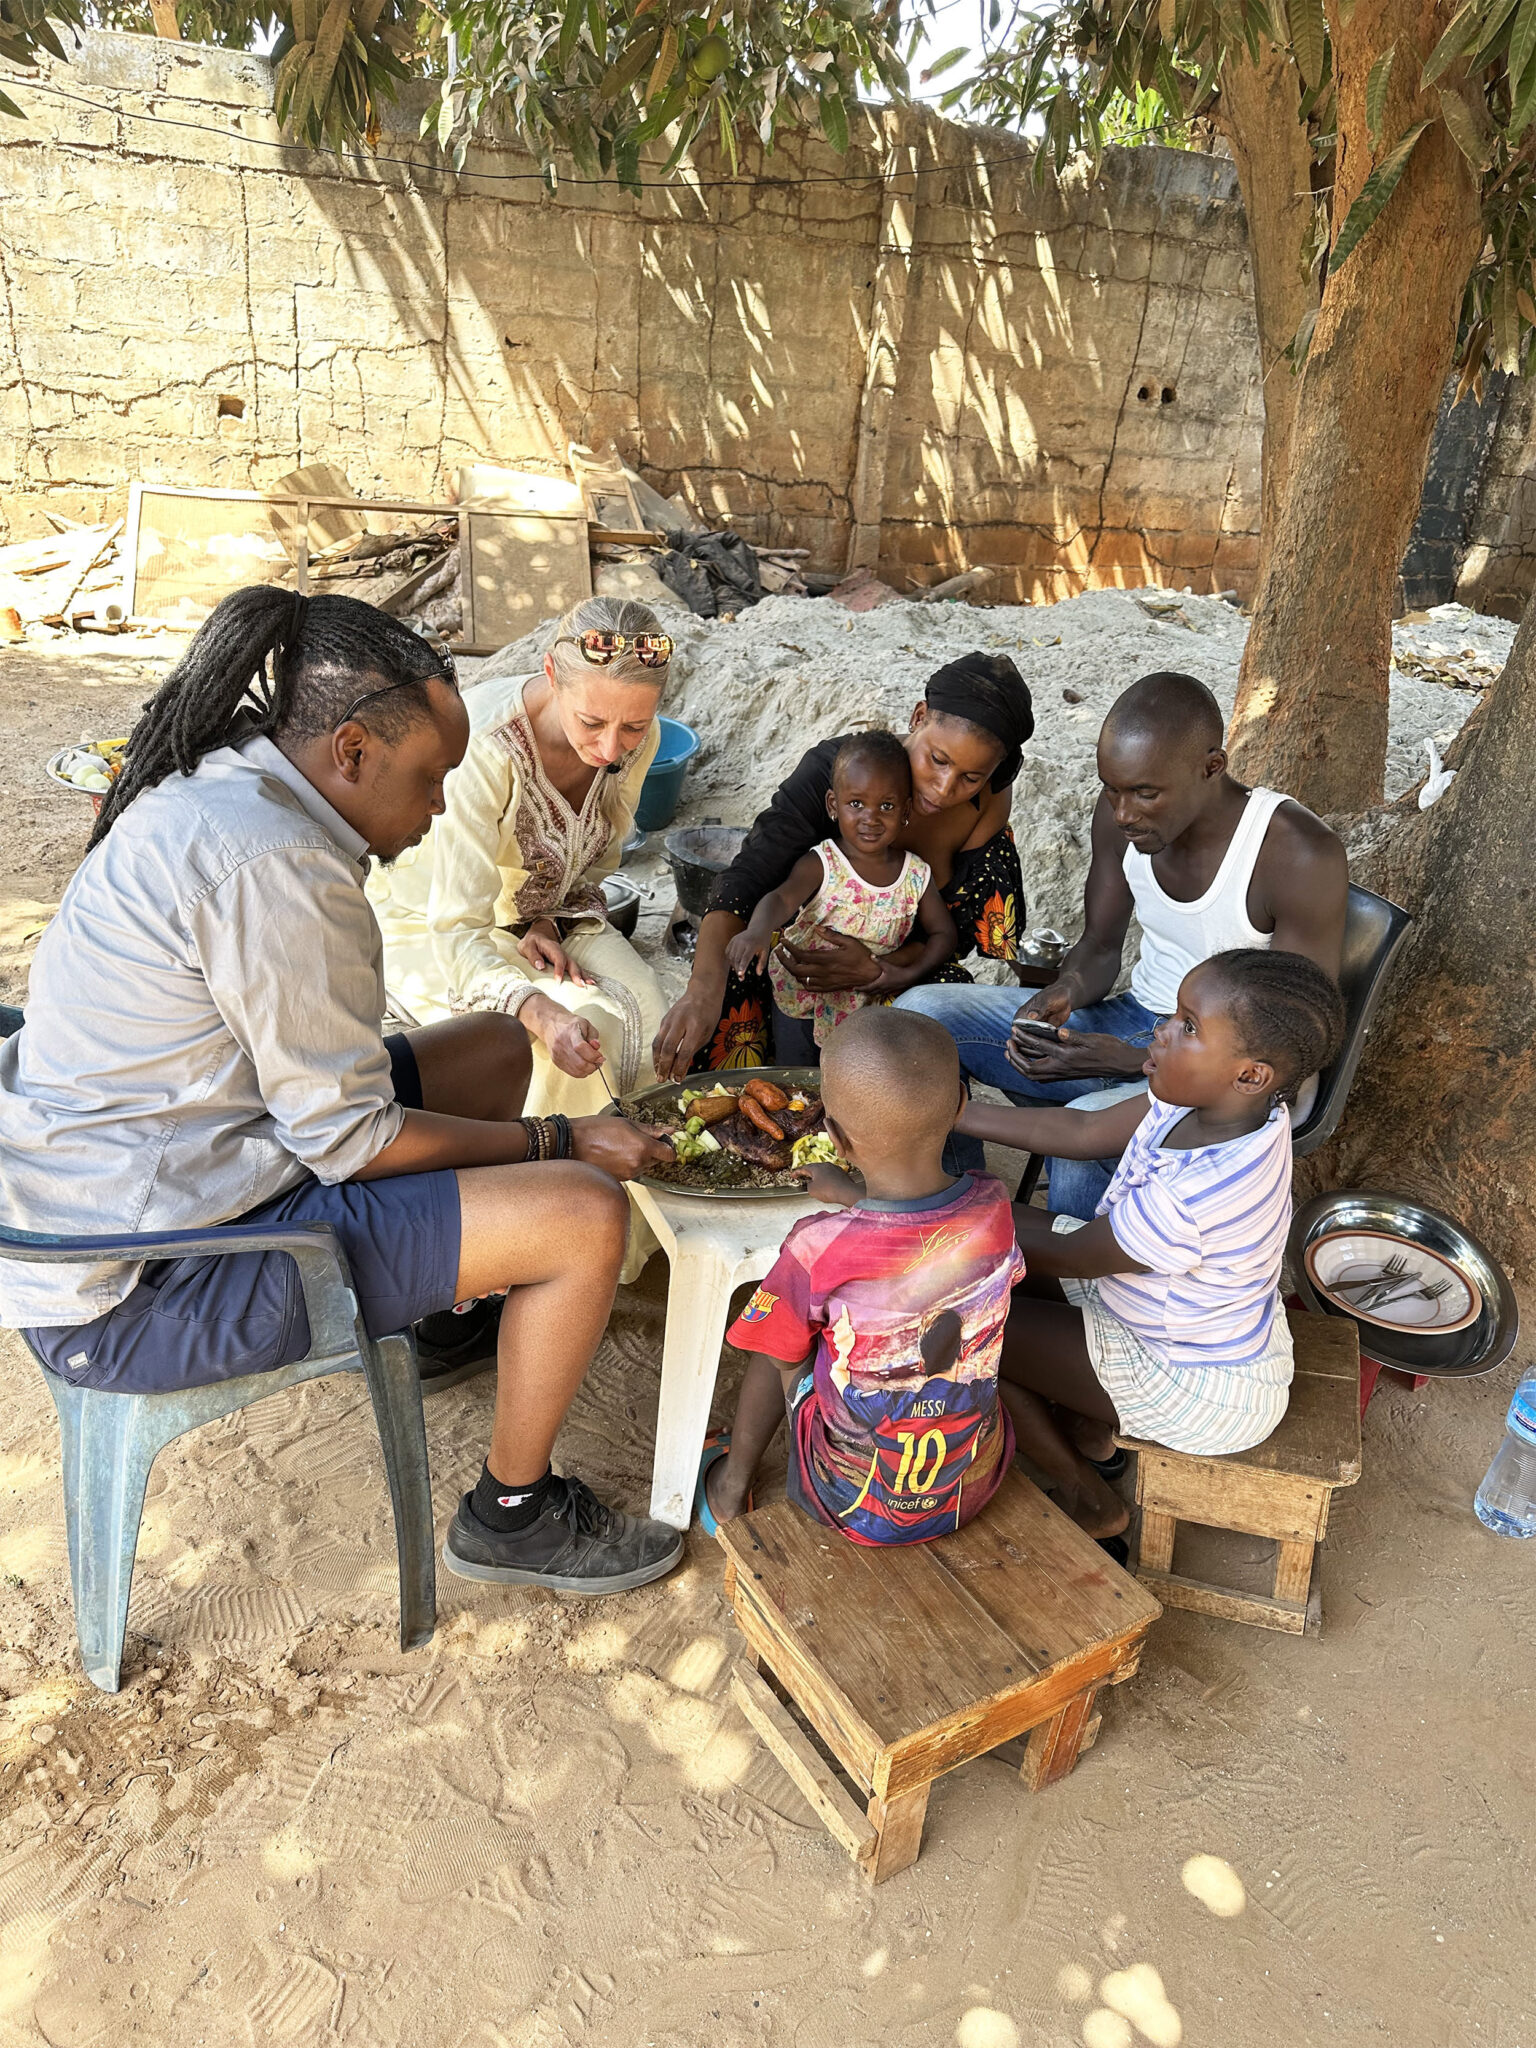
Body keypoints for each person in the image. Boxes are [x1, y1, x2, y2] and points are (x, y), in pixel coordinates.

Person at [0, 587, 683, 1598]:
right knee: (584, 1212)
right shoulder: (278, 863)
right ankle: (512, 1512)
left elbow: (325, 1097)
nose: (444, 806)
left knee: (497, 1044)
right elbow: (353, 1145)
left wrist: (531, 1065)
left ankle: (454, 1300)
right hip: (149, 1280)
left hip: (202, 1155)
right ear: (352, 750)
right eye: (431, 778)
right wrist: (560, 1144)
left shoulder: (242, 786)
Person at [896, 669, 1348, 1218]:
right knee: (917, 1021)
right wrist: (1064, 992)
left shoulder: (1295, 853)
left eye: (1144, 793)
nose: (1122, 813)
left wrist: (1138, 1063)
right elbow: (1101, 948)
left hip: (1229, 1075)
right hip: (1134, 1024)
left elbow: (1288, 1046)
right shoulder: (1122, 820)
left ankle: (1084, 1291)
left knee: (1089, 1137)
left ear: (1212, 768)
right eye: (1111, 789)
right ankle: (955, 1206)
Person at [958, 950, 1346, 1541]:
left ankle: (1089, 1499)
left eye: (1188, 1026)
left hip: (1196, 1385)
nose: (1161, 1030)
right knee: (985, 1222)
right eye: (1174, 1014)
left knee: (971, 1330)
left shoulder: (1200, 1192)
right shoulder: (1215, 1103)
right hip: (1169, 1311)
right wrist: (953, 1113)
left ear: (1250, 1074)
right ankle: (1092, 1430)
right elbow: (1082, 1131)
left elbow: (1072, 1255)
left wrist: (936, 1232)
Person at [696, 1007, 1024, 1543]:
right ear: (961, 1106)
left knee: (778, 1331)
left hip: (849, 1499)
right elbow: (916, 1241)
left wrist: (846, 1207)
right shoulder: (994, 1208)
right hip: (972, 1485)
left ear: (834, 1138)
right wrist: (855, 1198)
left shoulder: (815, 1245)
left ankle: (731, 1488)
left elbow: (785, 1347)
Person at [653, 652, 1035, 1078]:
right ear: (919, 716)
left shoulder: (988, 801)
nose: (945, 789)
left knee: (942, 1014)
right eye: (938, 760)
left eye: (970, 777)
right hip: (802, 970)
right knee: (735, 983)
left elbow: (955, 928)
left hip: (901, 972)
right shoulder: (839, 773)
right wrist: (702, 991)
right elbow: (750, 879)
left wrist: (880, 970)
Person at [368, 594, 672, 1121]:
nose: (610, 749)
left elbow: (598, 857)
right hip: (437, 923)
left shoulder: (640, 743)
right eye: (592, 722)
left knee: (649, 1011)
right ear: (552, 673)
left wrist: (549, 920)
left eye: (633, 727)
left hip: (549, 915)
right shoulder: (486, 750)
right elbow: (458, 927)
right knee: (572, 1041)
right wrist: (542, 1013)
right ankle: (573, 1182)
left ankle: (652, 1176)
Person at [724, 732, 958, 1064]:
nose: (871, 818)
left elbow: (944, 934)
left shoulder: (916, 875)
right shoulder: (823, 863)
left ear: (905, 810)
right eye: (857, 803)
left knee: (852, 1079)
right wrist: (757, 930)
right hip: (803, 996)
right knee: (796, 1079)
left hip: (866, 1004)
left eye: (887, 806)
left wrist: (907, 973)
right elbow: (781, 899)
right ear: (834, 805)